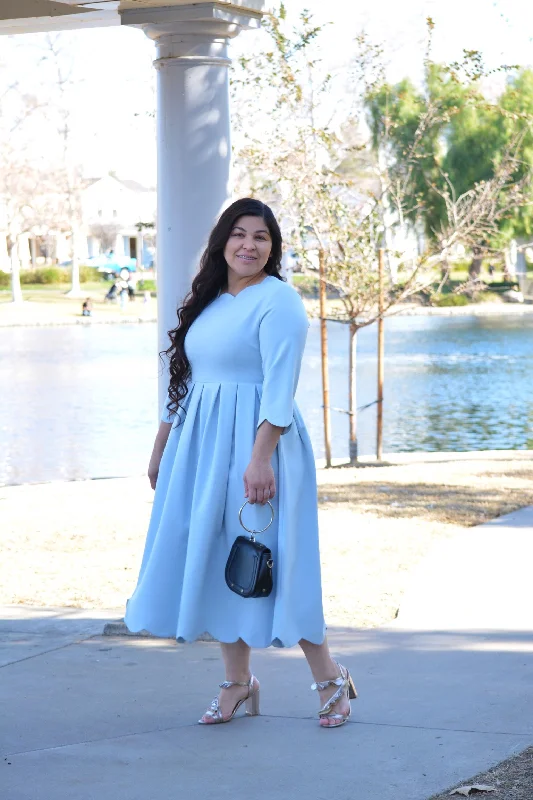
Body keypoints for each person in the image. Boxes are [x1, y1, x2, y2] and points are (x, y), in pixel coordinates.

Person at [124, 198, 357, 729]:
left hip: (260, 448)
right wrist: (162, 445)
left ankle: (330, 678)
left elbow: (280, 386)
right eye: (239, 234)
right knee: (217, 559)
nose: (249, 245)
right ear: (222, 242)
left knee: (276, 560)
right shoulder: (207, 300)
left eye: (262, 237)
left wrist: (260, 460)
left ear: (273, 249)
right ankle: (237, 683)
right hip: (202, 446)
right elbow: (183, 381)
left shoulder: (280, 302)